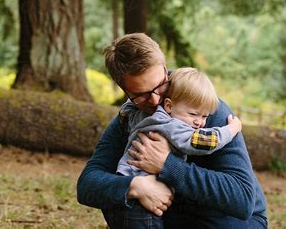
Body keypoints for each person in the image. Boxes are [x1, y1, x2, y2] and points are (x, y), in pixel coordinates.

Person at [77, 33, 267, 228]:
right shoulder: (133, 114)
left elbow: (243, 199)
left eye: (159, 86)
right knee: (122, 197)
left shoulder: (203, 108)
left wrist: (167, 165)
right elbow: (87, 183)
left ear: (166, 71)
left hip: (228, 220)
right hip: (173, 213)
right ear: (125, 91)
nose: (154, 100)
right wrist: (134, 186)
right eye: (140, 95)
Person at [116, 67, 243, 227]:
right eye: (193, 114)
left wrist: (127, 109)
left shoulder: (150, 117)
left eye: (205, 116)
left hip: (127, 179)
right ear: (169, 106)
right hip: (143, 191)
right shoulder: (173, 126)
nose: (200, 122)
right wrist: (232, 129)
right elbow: (204, 142)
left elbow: (128, 112)